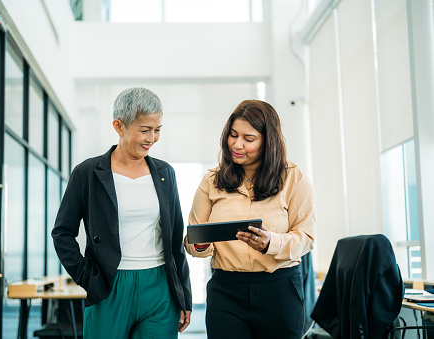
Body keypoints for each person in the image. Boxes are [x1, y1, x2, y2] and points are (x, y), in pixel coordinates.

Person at [52, 87, 192, 338]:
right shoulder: (87, 173)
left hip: (160, 287)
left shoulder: (165, 174)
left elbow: (175, 241)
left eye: (157, 129)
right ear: (119, 126)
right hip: (109, 285)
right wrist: (86, 276)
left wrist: (184, 294)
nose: (152, 138)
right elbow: (62, 232)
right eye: (144, 130)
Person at [184, 100, 316, 339]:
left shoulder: (294, 178)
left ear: (268, 140)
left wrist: (270, 243)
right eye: (233, 135)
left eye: (249, 138)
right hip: (226, 291)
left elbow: (306, 238)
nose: (237, 144)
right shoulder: (211, 181)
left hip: (278, 289)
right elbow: (193, 240)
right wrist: (201, 244)